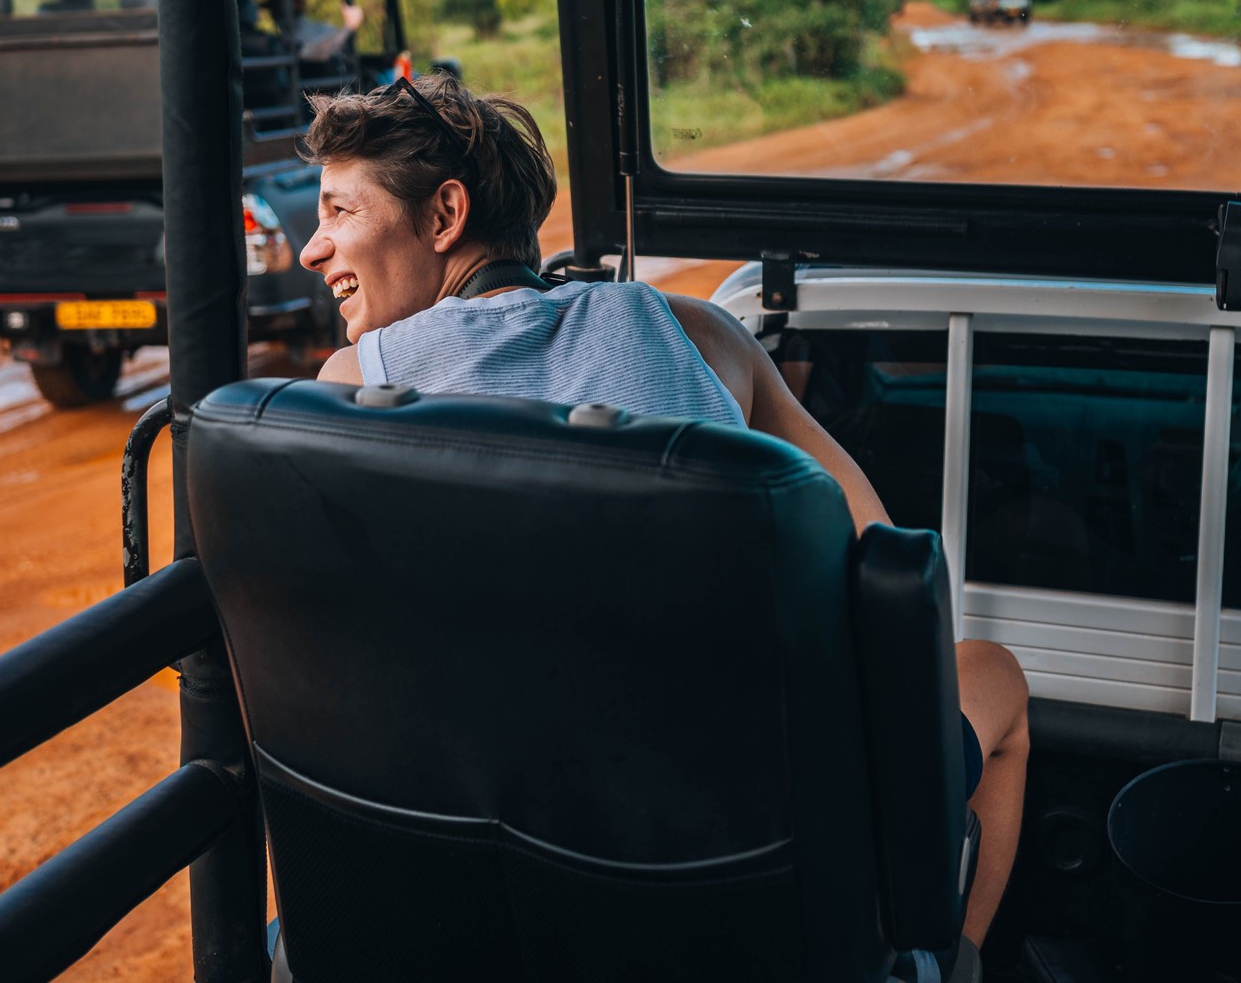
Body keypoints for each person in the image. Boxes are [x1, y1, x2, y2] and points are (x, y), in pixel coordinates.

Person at [299, 73, 1030, 948]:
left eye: (339, 212)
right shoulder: (698, 332)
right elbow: (880, 556)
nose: (312, 249)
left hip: (486, 843)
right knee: (993, 674)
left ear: (446, 214)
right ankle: (952, 963)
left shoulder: (351, 392)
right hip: (758, 843)